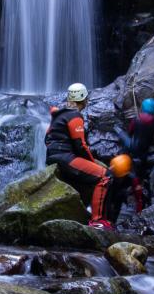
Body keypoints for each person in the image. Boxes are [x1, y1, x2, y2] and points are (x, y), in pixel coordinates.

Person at [45, 83, 136, 230]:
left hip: (53, 155)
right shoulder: (74, 116)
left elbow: (47, 138)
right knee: (104, 176)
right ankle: (97, 220)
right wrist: (93, 162)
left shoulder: (58, 115)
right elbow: (80, 145)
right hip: (65, 157)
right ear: (83, 99)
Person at [115, 97, 154, 186]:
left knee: (118, 130)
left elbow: (130, 132)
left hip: (133, 146)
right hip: (145, 150)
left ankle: (124, 154)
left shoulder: (136, 120)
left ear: (143, 107)